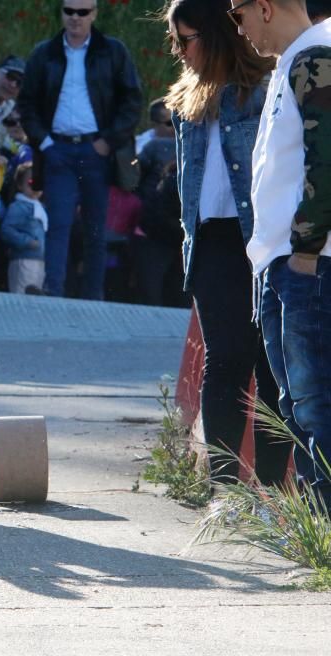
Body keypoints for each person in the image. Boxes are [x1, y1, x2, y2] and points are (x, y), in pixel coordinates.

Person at [163, 0, 288, 487]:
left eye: (187, 38)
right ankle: (225, 492)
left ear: (216, 34)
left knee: (273, 365)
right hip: (213, 242)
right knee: (227, 360)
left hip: (264, 237)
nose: (179, 50)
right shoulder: (184, 102)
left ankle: (276, 497)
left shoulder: (264, 88)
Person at [237, 0, 331, 509]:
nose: (239, 28)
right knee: (300, 410)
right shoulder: (296, 58)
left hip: (308, 267)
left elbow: (328, 159)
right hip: (286, 264)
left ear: (265, 7)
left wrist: (306, 250)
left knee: (316, 409)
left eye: (237, 14)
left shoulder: (315, 55)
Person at [18, 0, 142, 300]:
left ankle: (93, 298)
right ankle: (53, 290)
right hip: (57, 150)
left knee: (95, 229)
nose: (75, 18)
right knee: (58, 224)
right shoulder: (44, 53)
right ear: (61, 13)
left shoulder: (112, 51)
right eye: (69, 11)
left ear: (94, 14)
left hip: (95, 151)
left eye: (83, 12)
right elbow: (27, 103)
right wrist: (45, 143)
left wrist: (108, 141)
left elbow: (132, 101)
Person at [131, 98, 185, 307]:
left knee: (177, 294)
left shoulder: (200, 145)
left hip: (181, 232)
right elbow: (135, 182)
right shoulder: (151, 146)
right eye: (169, 123)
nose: (174, 129)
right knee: (151, 293)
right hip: (154, 229)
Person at [1, 162, 47, 294]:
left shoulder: (41, 208)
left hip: (39, 261)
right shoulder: (18, 206)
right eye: (31, 182)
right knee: (21, 295)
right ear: (20, 185)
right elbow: (6, 230)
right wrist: (27, 241)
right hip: (23, 260)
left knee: (34, 299)